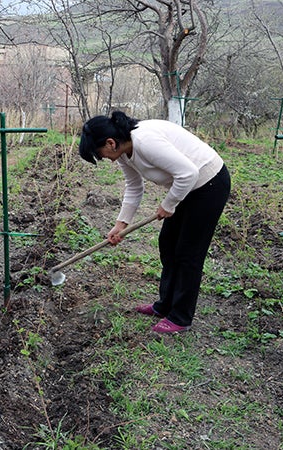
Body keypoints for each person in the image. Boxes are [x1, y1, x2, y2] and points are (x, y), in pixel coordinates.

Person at [78, 111, 230, 333]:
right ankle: (165, 305)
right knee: (168, 244)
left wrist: (168, 205)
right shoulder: (123, 152)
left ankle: (180, 317)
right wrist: (121, 224)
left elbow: (188, 173)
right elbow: (134, 187)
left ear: (110, 143)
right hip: (187, 187)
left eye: (99, 155)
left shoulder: (146, 142)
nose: (104, 160)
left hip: (209, 184)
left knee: (188, 253)